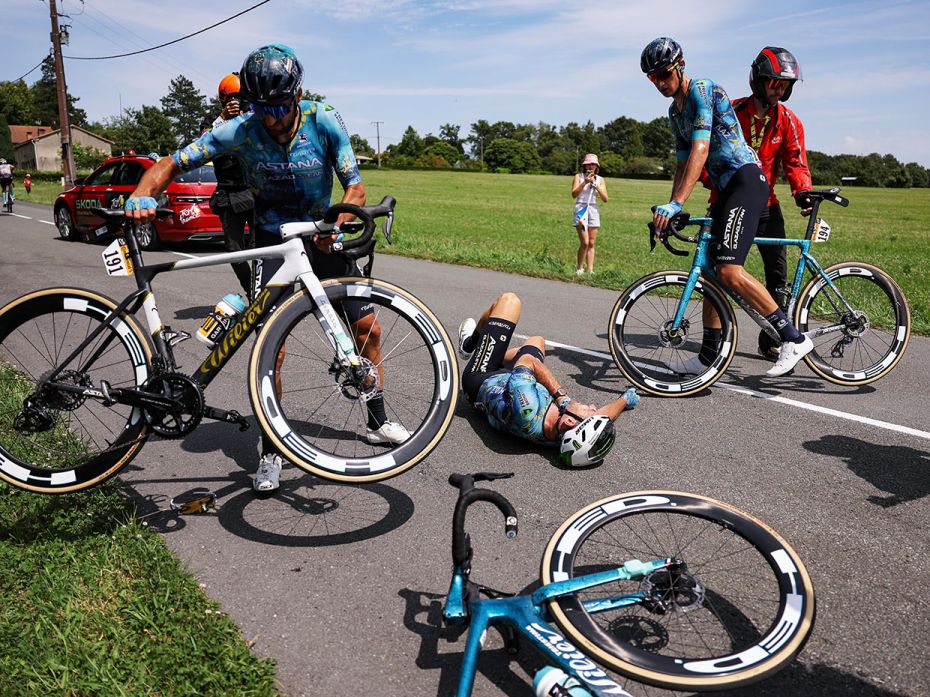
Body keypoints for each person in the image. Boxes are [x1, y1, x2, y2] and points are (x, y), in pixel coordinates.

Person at [124, 44, 409, 494]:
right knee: (270, 347)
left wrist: (335, 223)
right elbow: (171, 163)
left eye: (279, 106)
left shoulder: (324, 120)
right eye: (262, 107)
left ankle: (377, 418)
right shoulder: (242, 128)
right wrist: (144, 190)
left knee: (367, 329)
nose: (272, 118)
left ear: (298, 95)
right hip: (272, 242)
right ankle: (272, 447)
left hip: (322, 231)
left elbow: (355, 185)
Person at [641, 37, 812, 378]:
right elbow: (681, 164)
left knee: (731, 270)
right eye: (653, 77)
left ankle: (792, 338)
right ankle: (707, 356)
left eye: (664, 73)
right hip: (724, 190)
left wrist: (678, 202)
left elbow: (701, 149)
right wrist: (670, 206)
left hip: (746, 181)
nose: (660, 82)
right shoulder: (675, 113)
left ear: (680, 66)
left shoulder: (702, 90)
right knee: (710, 273)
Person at [457, 292, 638, 467]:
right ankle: (493, 349)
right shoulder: (566, 433)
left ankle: (470, 345)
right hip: (513, 382)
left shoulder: (527, 409)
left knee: (510, 301)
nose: (592, 406)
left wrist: (561, 397)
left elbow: (528, 362)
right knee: (537, 341)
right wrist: (625, 400)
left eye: (589, 411)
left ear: (569, 421)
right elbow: (603, 417)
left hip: (481, 378)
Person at [736, 47, 813, 359]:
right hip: (731, 204)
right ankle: (710, 347)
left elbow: (795, 162)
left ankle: (774, 341)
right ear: (758, 80)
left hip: (767, 205)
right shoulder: (732, 112)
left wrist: (802, 191)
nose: (779, 89)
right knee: (717, 272)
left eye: (785, 85)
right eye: (774, 83)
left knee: (778, 277)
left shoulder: (789, 121)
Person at [209, 72, 255, 297]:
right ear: (224, 100)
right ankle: (250, 290)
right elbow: (205, 141)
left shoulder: (254, 116)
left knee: (263, 247)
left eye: (242, 97)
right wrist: (224, 119)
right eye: (233, 98)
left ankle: (265, 291)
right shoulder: (215, 123)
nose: (238, 103)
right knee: (233, 250)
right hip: (229, 193)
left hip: (254, 192)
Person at [571, 153, 608, 275]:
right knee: (585, 242)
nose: (590, 166)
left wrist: (596, 186)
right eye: (588, 164)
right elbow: (574, 194)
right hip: (581, 208)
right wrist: (584, 183)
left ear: (597, 166)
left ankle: (590, 270)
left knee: (592, 242)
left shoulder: (600, 179)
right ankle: (580, 268)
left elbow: (605, 198)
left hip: (593, 209)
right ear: (584, 166)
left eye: (592, 164)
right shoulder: (578, 176)